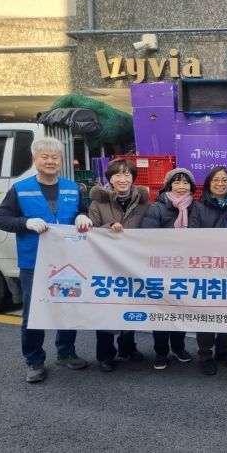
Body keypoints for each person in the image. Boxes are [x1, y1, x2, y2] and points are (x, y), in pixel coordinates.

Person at [0, 137, 91, 383]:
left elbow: (81, 211)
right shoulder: (20, 189)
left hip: (67, 262)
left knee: (67, 308)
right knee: (33, 313)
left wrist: (82, 216)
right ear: (35, 159)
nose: (50, 161)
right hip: (33, 262)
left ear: (61, 161)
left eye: (54, 157)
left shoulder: (72, 188)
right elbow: (0, 219)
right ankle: (34, 361)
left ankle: (65, 352)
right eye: (44, 157)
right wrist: (25, 222)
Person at [87, 158, 151, 372]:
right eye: (117, 175)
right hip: (106, 264)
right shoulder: (98, 202)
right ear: (110, 179)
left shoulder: (143, 202)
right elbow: (91, 231)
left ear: (133, 178)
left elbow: (151, 229)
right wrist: (108, 227)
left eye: (127, 174)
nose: (122, 179)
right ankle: (105, 355)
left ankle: (127, 347)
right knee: (107, 308)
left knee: (131, 306)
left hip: (133, 263)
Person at [141, 167, 196, 370]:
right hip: (161, 269)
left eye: (186, 182)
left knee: (180, 310)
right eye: (177, 182)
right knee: (161, 312)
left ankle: (179, 347)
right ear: (168, 186)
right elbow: (147, 237)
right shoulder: (156, 208)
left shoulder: (194, 207)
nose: (181, 187)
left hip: (185, 269)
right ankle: (161, 352)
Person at [189, 166, 227, 375]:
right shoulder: (199, 208)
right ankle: (205, 353)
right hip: (206, 268)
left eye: (225, 180)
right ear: (209, 184)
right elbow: (192, 236)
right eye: (216, 180)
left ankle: (223, 349)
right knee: (207, 312)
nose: (220, 184)